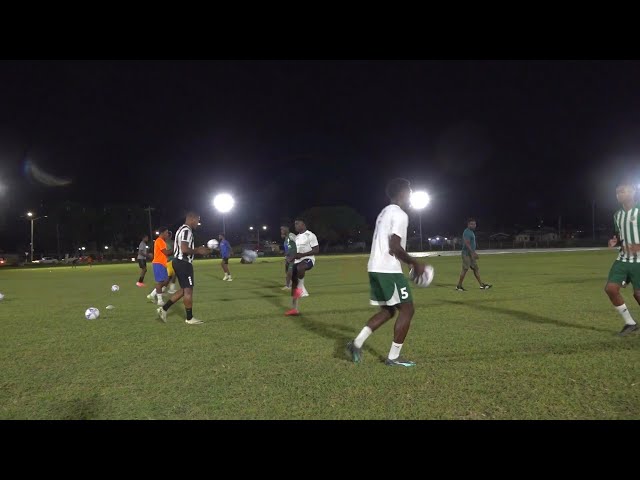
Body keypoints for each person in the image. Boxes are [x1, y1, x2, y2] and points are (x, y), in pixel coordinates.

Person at [346, 178, 429, 367]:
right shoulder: (399, 214)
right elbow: (394, 246)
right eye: (409, 191)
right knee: (407, 309)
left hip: (375, 267)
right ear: (402, 193)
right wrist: (414, 263)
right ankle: (393, 357)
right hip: (387, 269)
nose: (410, 195)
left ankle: (356, 343)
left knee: (388, 310)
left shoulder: (384, 212)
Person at [157, 212, 211, 325]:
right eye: (197, 220)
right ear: (191, 219)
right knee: (188, 290)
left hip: (178, 262)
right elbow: (185, 249)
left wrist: (197, 249)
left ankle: (164, 308)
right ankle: (189, 318)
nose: (198, 222)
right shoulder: (187, 231)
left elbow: (181, 248)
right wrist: (198, 250)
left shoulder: (180, 229)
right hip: (183, 263)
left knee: (184, 289)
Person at [604, 180, 640, 336]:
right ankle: (630, 323)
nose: (619, 195)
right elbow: (619, 235)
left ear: (632, 192)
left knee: (638, 295)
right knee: (610, 289)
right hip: (623, 259)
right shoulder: (617, 215)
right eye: (617, 192)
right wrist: (615, 241)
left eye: (623, 191)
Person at [285, 218, 319, 316]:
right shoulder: (297, 237)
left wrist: (302, 255)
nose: (295, 226)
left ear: (303, 225)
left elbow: (316, 250)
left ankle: (301, 287)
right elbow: (296, 251)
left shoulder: (310, 235)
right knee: (293, 282)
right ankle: (294, 309)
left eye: (297, 224)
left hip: (308, 260)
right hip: (298, 260)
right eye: (295, 224)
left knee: (300, 267)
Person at [456, 218, 492, 291]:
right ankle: (459, 286)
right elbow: (467, 243)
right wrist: (473, 253)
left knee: (475, 269)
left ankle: (482, 285)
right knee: (465, 269)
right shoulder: (467, 232)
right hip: (466, 254)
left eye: (475, 224)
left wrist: (473, 253)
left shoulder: (471, 232)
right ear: (468, 224)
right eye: (472, 224)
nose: (474, 225)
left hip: (470, 254)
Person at [147, 227, 173, 306]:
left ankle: (152, 295)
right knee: (160, 282)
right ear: (162, 233)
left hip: (162, 264)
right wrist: (175, 248)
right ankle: (160, 300)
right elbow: (166, 253)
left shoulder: (161, 241)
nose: (167, 234)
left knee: (166, 281)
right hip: (158, 263)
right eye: (166, 232)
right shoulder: (160, 241)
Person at [280, 225, 296, 290]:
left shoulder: (291, 235)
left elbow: (298, 242)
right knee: (287, 272)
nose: (281, 231)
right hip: (288, 257)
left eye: (282, 230)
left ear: (285, 230)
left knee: (290, 271)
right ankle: (289, 284)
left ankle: (289, 285)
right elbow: (287, 248)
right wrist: (285, 254)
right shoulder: (286, 239)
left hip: (293, 257)